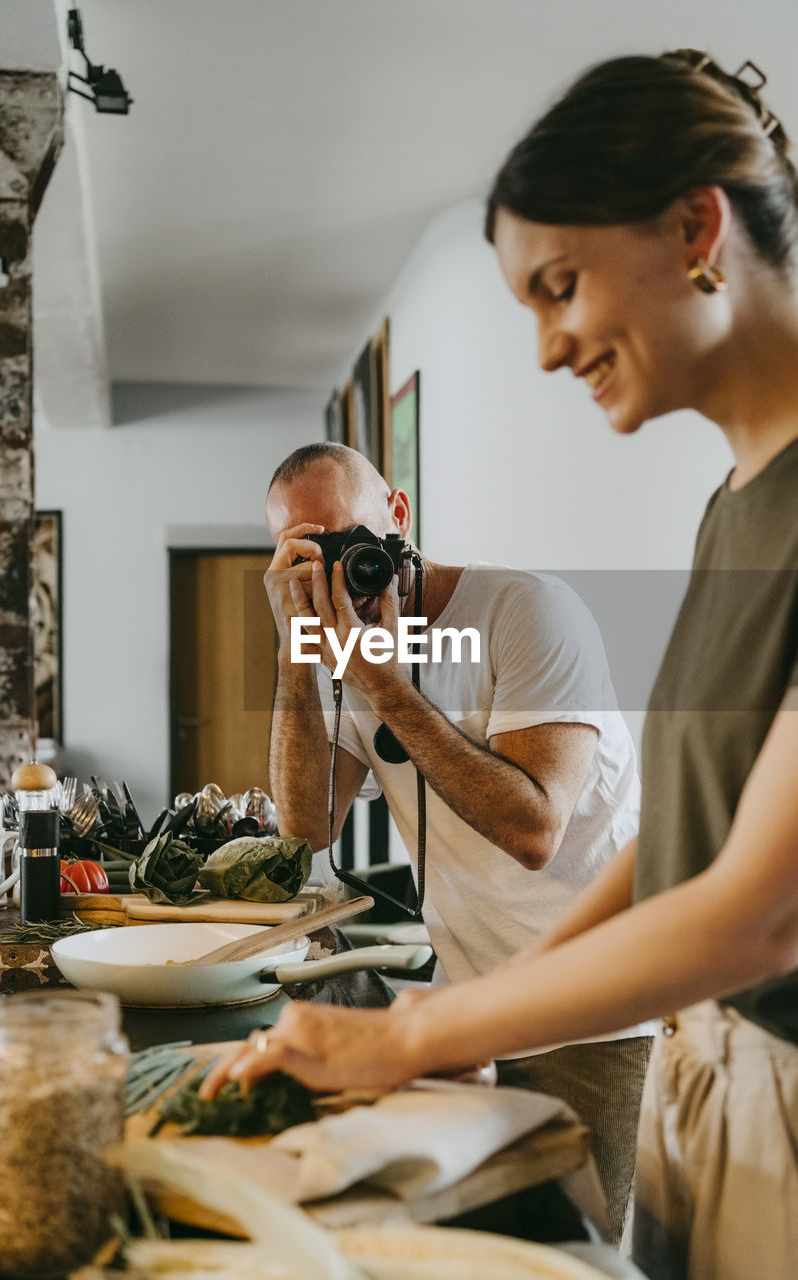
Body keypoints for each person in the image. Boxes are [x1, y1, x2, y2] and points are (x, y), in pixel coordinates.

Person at [203, 49, 798, 1279]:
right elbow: (682, 838)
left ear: (697, 226)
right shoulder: (735, 504)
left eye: (560, 285)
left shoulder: (533, 606)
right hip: (705, 1066)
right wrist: (449, 1010)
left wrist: (422, 1030)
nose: (543, 348)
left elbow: (759, 905)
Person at [252, 440, 647, 1242]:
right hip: (474, 997)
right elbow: (306, 830)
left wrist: (383, 684)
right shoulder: (337, 651)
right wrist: (299, 652)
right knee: (483, 1238)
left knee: (581, 1245)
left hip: (595, 1009)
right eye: (309, 559)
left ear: (398, 515)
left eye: (349, 542)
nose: (339, 578)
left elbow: (534, 828)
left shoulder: (525, 612)